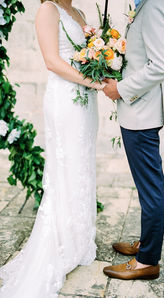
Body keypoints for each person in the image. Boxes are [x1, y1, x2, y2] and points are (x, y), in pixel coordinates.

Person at [0, 1, 105, 297]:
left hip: (86, 103)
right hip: (65, 99)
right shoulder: (48, 9)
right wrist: (94, 83)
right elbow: (52, 61)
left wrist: (102, 63)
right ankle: (60, 241)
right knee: (66, 167)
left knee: (82, 164)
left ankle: (79, 238)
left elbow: (85, 54)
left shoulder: (80, 13)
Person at [103, 0, 164, 280]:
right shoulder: (151, 3)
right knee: (148, 186)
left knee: (151, 189)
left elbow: (162, 65)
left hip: (142, 113)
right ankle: (147, 243)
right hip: (142, 110)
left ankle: (147, 260)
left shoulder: (157, 5)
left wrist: (121, 88)